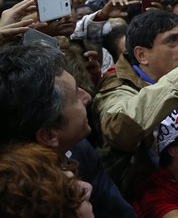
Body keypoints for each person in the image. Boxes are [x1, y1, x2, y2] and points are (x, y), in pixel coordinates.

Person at [94, 11, 178, 195]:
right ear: (142, 55)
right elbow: (120, 129)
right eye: (172, 40)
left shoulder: (175, 71)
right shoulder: (117, 85)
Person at [0, 45, 136, 217]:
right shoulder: (18, 201)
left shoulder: (80, 149)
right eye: (74, 97)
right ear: (49, 135)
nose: (87, 97)